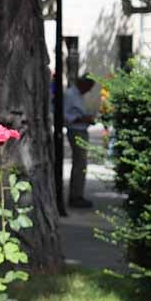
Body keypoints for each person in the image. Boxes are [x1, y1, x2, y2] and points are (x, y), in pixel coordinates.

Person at [64, 75, 96, 208]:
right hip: (76, 130)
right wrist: (82, 119)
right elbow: (65, 115)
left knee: (81, 164)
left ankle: (78, 194)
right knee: (79, 164)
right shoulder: (70, 95)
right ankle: (75, 196)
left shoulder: (77, 95)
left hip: (81, 129)